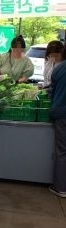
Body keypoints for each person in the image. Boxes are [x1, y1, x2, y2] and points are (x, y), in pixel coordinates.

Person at [49, 46, 66, 197]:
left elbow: (52, 92)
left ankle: (61, 188)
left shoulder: (59, 69)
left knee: (62, 151)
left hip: (61, 113)